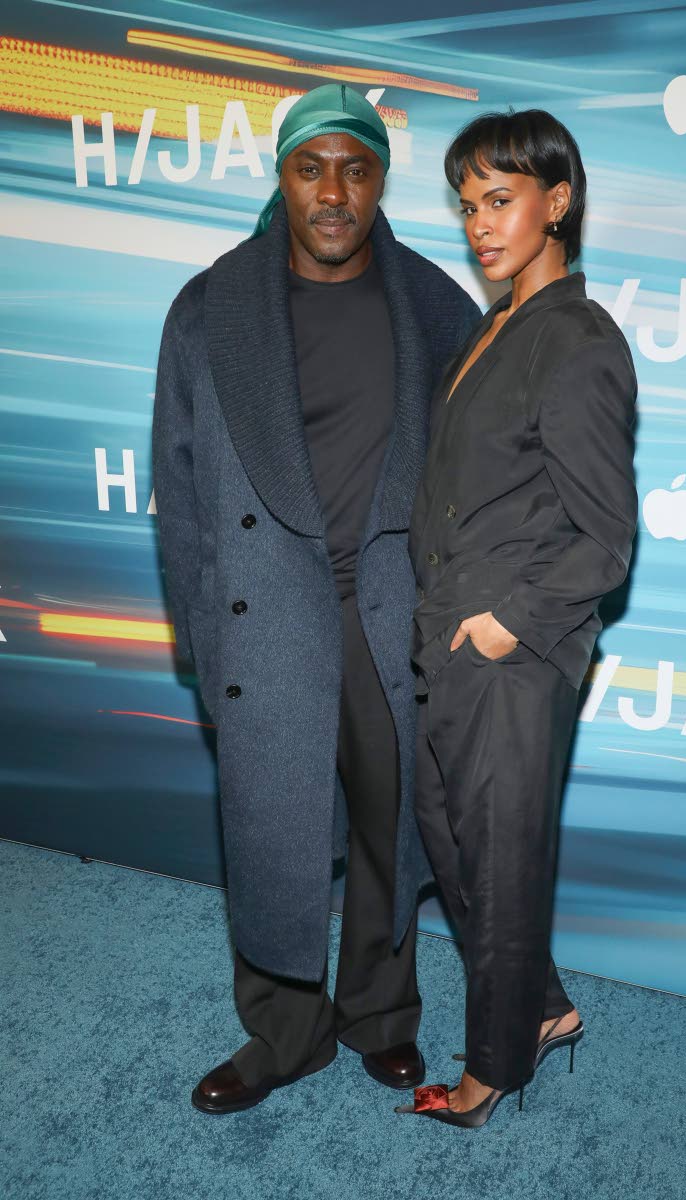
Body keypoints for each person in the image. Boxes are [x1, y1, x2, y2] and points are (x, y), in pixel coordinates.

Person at [152, 84, 480, 1115]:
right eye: (311, 167)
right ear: (282, 176)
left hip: (390, 615)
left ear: (380, 181)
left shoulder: (435, 307)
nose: (333, 191)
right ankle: (282, 1032)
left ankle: (379, 1018)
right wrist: (205, 639)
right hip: (267, 618)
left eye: (356, 167)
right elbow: (178, 492)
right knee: (270, 830)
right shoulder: (209, 309)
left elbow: (475, 480)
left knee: (389, 831)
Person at [397, 109, 638, 1128]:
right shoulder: (494, 328)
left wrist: (504, 625)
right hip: (450, 640)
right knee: (455, 848)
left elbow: (605, 539)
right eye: (466, 207)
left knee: (493, 859)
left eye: (500, 200)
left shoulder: (577, 343)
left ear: (557, 201)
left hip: (507, 653)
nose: (480, 226)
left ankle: (492, 1069)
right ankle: (537, 1007)